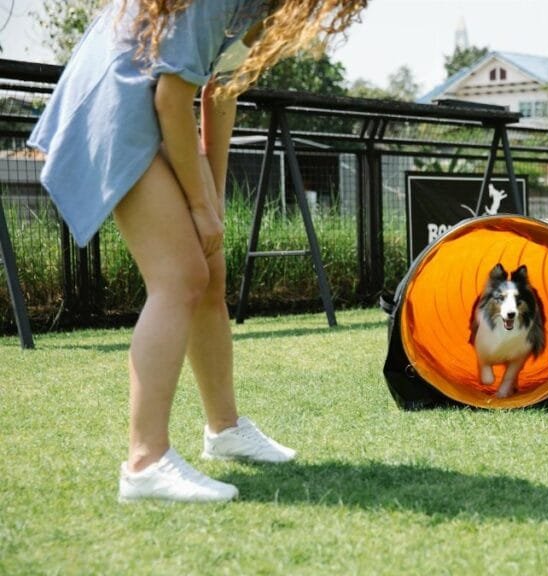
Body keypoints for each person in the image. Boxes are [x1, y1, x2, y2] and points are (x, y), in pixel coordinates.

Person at [28, 0, 367, 503]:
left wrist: (213, 196)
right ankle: (145, 463)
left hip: (152, 107)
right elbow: (171, 99)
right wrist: (197, 204)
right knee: (180, 278)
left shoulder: (263, 8)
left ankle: (224, 430)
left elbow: (222, 90)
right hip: (118, 107)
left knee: (209, 271)